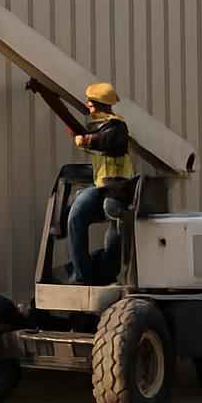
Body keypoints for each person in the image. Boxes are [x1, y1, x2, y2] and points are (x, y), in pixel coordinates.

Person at [65, 81, 134, 285]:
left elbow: (107, 141)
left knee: (113, 216)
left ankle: (107, 270)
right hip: (101, 187)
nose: (88, 105)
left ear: (99, 104)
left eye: (91, 102)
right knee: (75, 215)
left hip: (118, 188)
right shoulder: (98, 126)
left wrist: (86, 140)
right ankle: (82, 274)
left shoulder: (117, 126)